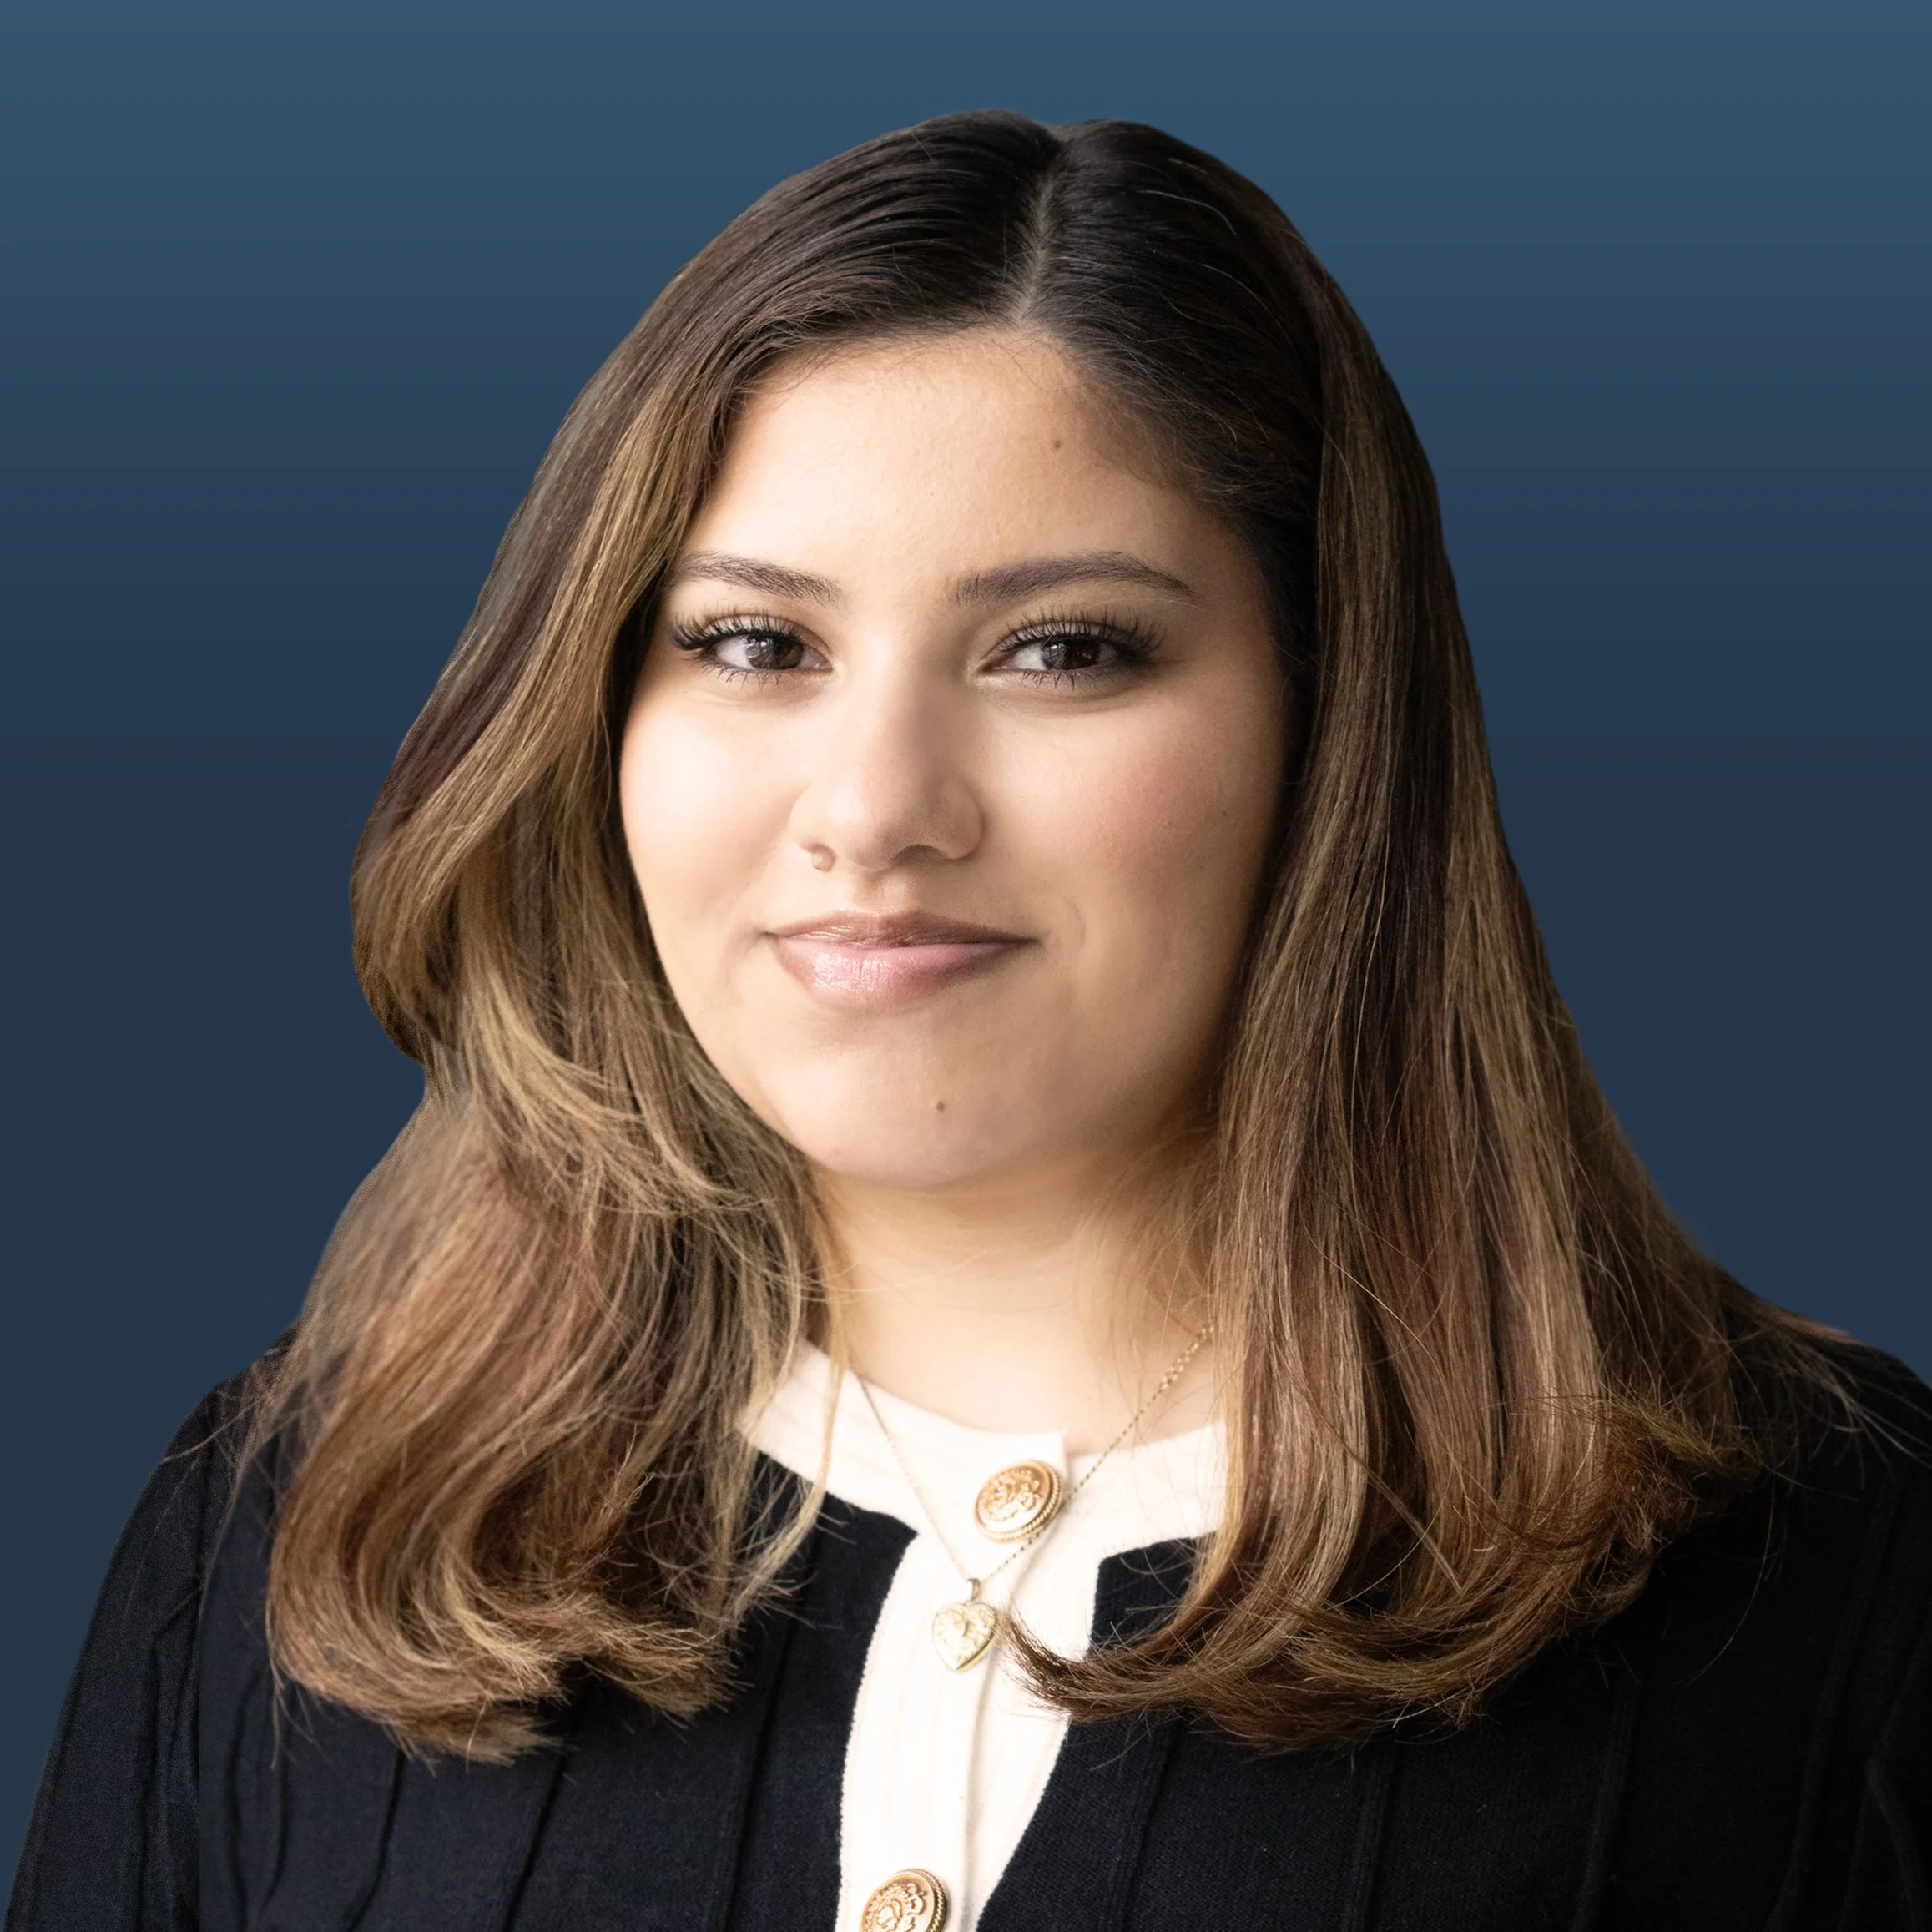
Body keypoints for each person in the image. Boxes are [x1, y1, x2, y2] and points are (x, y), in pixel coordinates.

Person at [8, 110, 1928, 1932]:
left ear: (1325, 727)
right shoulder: (283, 1517)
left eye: (1060, 649)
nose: (872, 807)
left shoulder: (1840, 1573)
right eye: (751, 643)